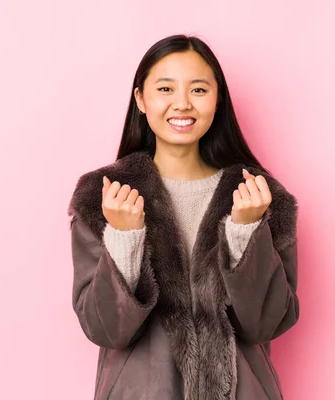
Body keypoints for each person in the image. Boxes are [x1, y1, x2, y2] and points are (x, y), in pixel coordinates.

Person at [68, 34, 299, 400]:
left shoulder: (259, 196)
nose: (182, 104)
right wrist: (125, 238)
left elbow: (266, 324)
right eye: (165, 88)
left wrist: (245, 231)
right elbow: (106, 329)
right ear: (141, 99)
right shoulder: (104, 197)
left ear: (217, 100)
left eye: (198, 90)